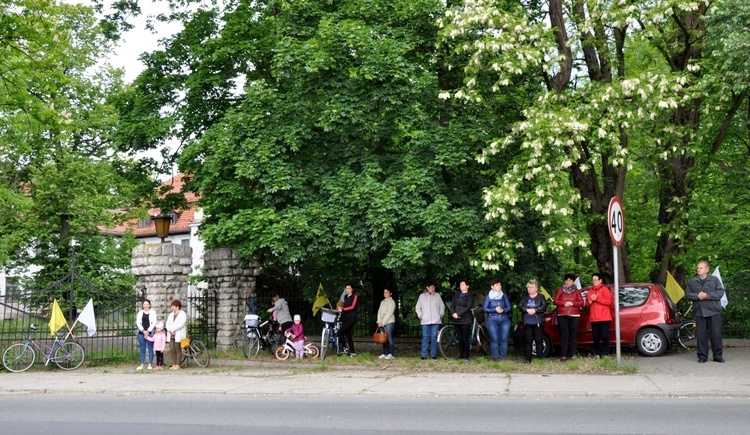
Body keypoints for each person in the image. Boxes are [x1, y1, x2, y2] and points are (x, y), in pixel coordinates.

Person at [685, 261, 725, 363]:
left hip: (713, 311)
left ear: (707, 270)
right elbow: (687, 294)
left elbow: (720, 293)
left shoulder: (714, 280)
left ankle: (718, 356)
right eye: (698, 268)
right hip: (700, 311)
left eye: (701, 268)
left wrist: (707, 295)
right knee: (701, 335)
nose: (698, 269)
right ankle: (702, 357)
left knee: (716, 335)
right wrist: (697, 296)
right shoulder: (692, 281)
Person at [553, 273, 584, 361]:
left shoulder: (577, 291)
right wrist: (563, 303)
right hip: (562, 315)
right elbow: (555, 301)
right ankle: (563, 355)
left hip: (574, 315)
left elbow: (581, 302)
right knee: (564, 335)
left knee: (573, 335)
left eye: (570, 280)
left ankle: (573, 354)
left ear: (573, 281)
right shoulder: (560, 290)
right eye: (566, 280)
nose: (568, 282)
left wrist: (572, 303)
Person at [483, 278, 512, 362]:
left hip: (504, 319)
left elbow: (509, 307)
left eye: (500, 285)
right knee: (494, 339)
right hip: (492, 319)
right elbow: (485, 309)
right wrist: (494, 310)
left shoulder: (504, 295)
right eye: (497, 285)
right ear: (492, 287)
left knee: (504, 339)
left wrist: (503, 310)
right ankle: (495, 358)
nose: (499, 286)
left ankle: (503, 358)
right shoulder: (489, 297)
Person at [518, 279, 547, 363]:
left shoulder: (541, 297)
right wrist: (527, 310)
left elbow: (544, 306)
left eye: (531, 287)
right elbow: (520, 306)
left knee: (539, 340)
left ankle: (539, 358)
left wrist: (535, 310)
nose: (529, 289)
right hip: (527, 322)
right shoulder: (525, 297)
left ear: (536, 288)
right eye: (528, 288)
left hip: (538, 321)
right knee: (528, 340)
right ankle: (528, 359)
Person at [415, 281, 445, 360]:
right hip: (425, 321)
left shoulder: (437, 296)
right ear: (427, 287)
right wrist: (421, 316)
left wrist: (440, 315)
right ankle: (424, 355)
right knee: (425, 337)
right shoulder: (422, 296)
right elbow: (418, 308)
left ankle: (433, 355)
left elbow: (442, 306)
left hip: (436, 321)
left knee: (434, 337)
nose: (433, 289)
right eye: (431, 287)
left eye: (434, 287)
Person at [587, 273, 612, 359]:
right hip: (594, 318)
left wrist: (597, 299)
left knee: (605, 335)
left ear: (600, 280)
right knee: (595, 336)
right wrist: (589, 302)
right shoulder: (590, 291)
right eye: (593, 280)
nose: (594, 282)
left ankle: (606, 353)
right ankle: (597, 353)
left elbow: (608, 301)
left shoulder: (604, 289)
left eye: (596, 280)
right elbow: (587, 303)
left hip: (604, 317)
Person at [449, 279, 475, 363]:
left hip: (465, 320)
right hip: (456, 320)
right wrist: (453, 313)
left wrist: (458, 314)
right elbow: (452, 305)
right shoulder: (456, 295)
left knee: (465, 338)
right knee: (459, 339)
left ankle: (466, 356)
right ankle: (461, 355)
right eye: (460, 285)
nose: (461, 286)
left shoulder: (470, 295)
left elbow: (468, 307)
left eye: (463, 285)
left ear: (467, 286)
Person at [165, 299, 188, 370]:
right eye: (172, 306)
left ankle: (178, 364)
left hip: (178, 333)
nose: (172, 308)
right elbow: (167, 323)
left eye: (173, 306)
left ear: (177, 307)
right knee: (172, 349)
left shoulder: (182, 314)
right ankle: (174, 364)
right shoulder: (171, 315)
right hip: (171, 334)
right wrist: (170, 329)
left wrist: (173, 329)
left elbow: (181, 324)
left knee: (178, 349)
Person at [337, 284, 359, 357]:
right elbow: (343, 306)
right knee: (348, 335)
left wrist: (343, 309)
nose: (348, 290)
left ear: (352, 289)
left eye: (349, 288)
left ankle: (345, 348)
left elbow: (352, 306)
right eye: (346, 288)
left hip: (352, 317)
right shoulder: (345, 297)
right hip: (345, 317)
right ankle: (352, 352)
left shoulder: (355, 296)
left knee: (339, 333)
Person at [376, 287, 397, 360]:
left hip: (389, 322)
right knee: (384, 338)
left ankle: (391, 353)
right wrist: (379, 321)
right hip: (381, 322)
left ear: (390, 293)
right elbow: (379, 312)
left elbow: (389, 313)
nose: (385, 294)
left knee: (389, 338)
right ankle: (385, 353)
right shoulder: (382, 302)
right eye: (384, 292)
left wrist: (384, 322)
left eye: (387, 292)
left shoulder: (392, 302)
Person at [136, 299, 156, 370]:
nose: (146, 306)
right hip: (141, 333)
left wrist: (148, 331)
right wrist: (143, 330)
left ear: (149, 305)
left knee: (150, 349)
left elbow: (153, 322)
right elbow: (138, 322)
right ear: (142, 305)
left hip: (150, 333)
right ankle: (142, 364)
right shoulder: (140, 313)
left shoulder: (153, 312)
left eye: (147, 304)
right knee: (142, 349)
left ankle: (150, 364)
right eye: (144, 304)